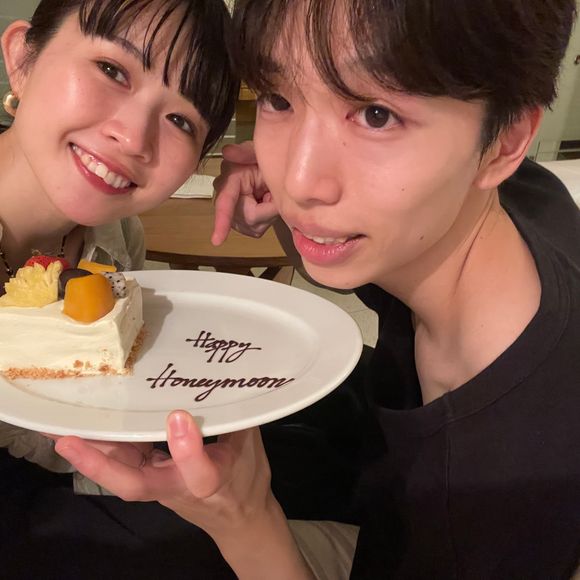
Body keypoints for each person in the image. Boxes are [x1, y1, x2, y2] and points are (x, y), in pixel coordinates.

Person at [54, 0, 580, 578]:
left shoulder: (510, 481)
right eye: (279, 99)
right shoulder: (521, 202)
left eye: (377, 115)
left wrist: (244, 521)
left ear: (505, 142)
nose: (299, 179)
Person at [0, 0, 239, 577]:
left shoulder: (117, 241)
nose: (134, 139)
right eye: (112, 69)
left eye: (181, 121)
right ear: (22, 59)